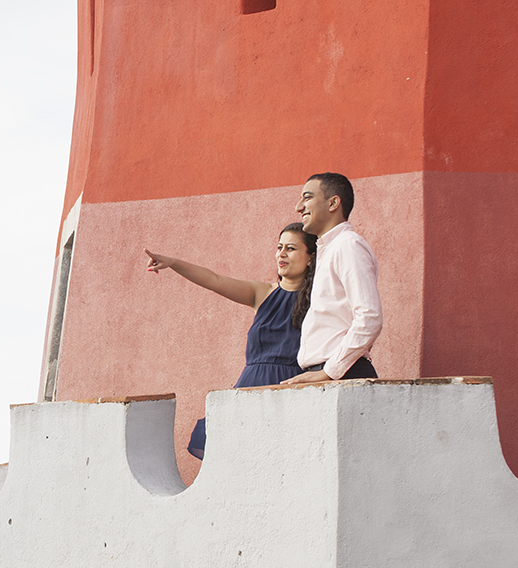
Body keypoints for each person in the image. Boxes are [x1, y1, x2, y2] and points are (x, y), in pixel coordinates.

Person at [144, 224, 318, 458]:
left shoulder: (320, 299)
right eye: (279, 247)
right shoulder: (263, 293)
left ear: (310, 258)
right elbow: (214, 279)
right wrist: (174, 263)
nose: (281, 254)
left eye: (291, 248)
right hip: (250, 386)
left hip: (291, 389)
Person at [279, 171, 381, 386]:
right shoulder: (330, 249)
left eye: (307, 197)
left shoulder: (348, 245)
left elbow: (369, 317)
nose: (299, 207)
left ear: (333, 203)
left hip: (342, 373)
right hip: (331, 372)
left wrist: (330, 371)